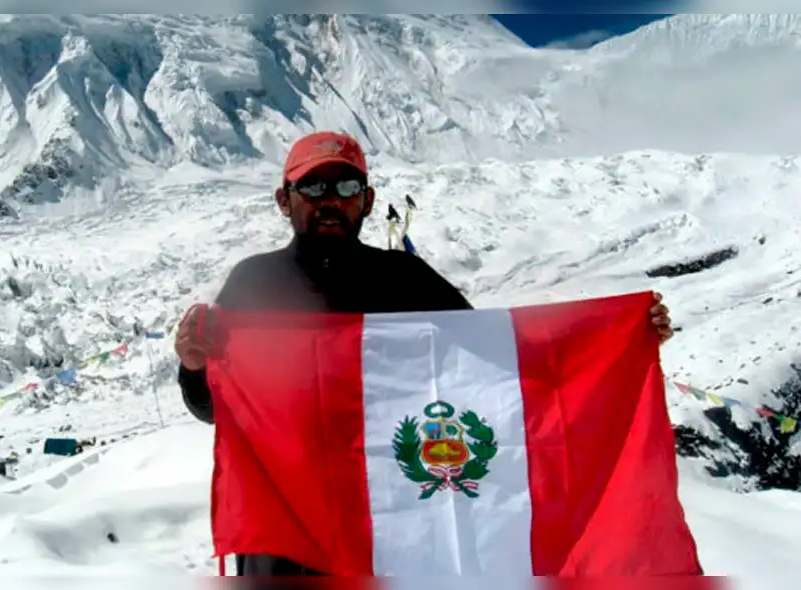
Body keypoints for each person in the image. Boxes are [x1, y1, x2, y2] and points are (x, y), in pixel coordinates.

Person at [174, 130, 674, 577]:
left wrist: (623, 341)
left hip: (395, 530)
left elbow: (494, 371)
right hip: (287, 534)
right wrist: (195, 365)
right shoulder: (253, 284)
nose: (330, 200)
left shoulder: (407, 279)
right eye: (314, 187)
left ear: (367, 202)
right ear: (285, 200)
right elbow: (215, 408)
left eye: (346, 188)